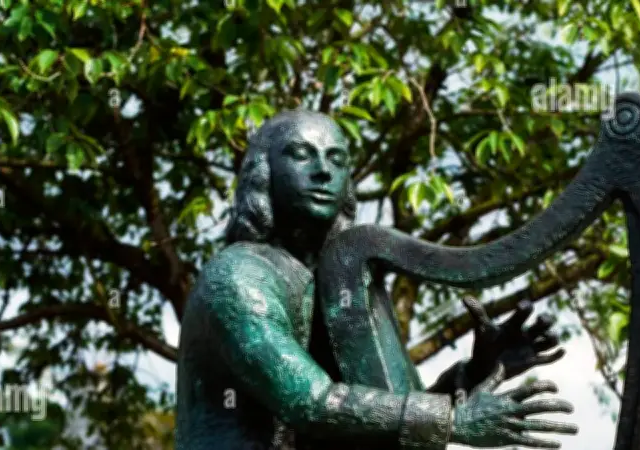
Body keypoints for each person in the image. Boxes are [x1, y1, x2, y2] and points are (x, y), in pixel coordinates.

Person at [175, 109, 577, 449]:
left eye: (336, 160)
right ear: (263, 173)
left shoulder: (330, 281)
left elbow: (384, 415)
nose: (322, 172)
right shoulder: (237, 278)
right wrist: (453, 421)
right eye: (301, 155)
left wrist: (476, 372)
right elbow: (313, 402)